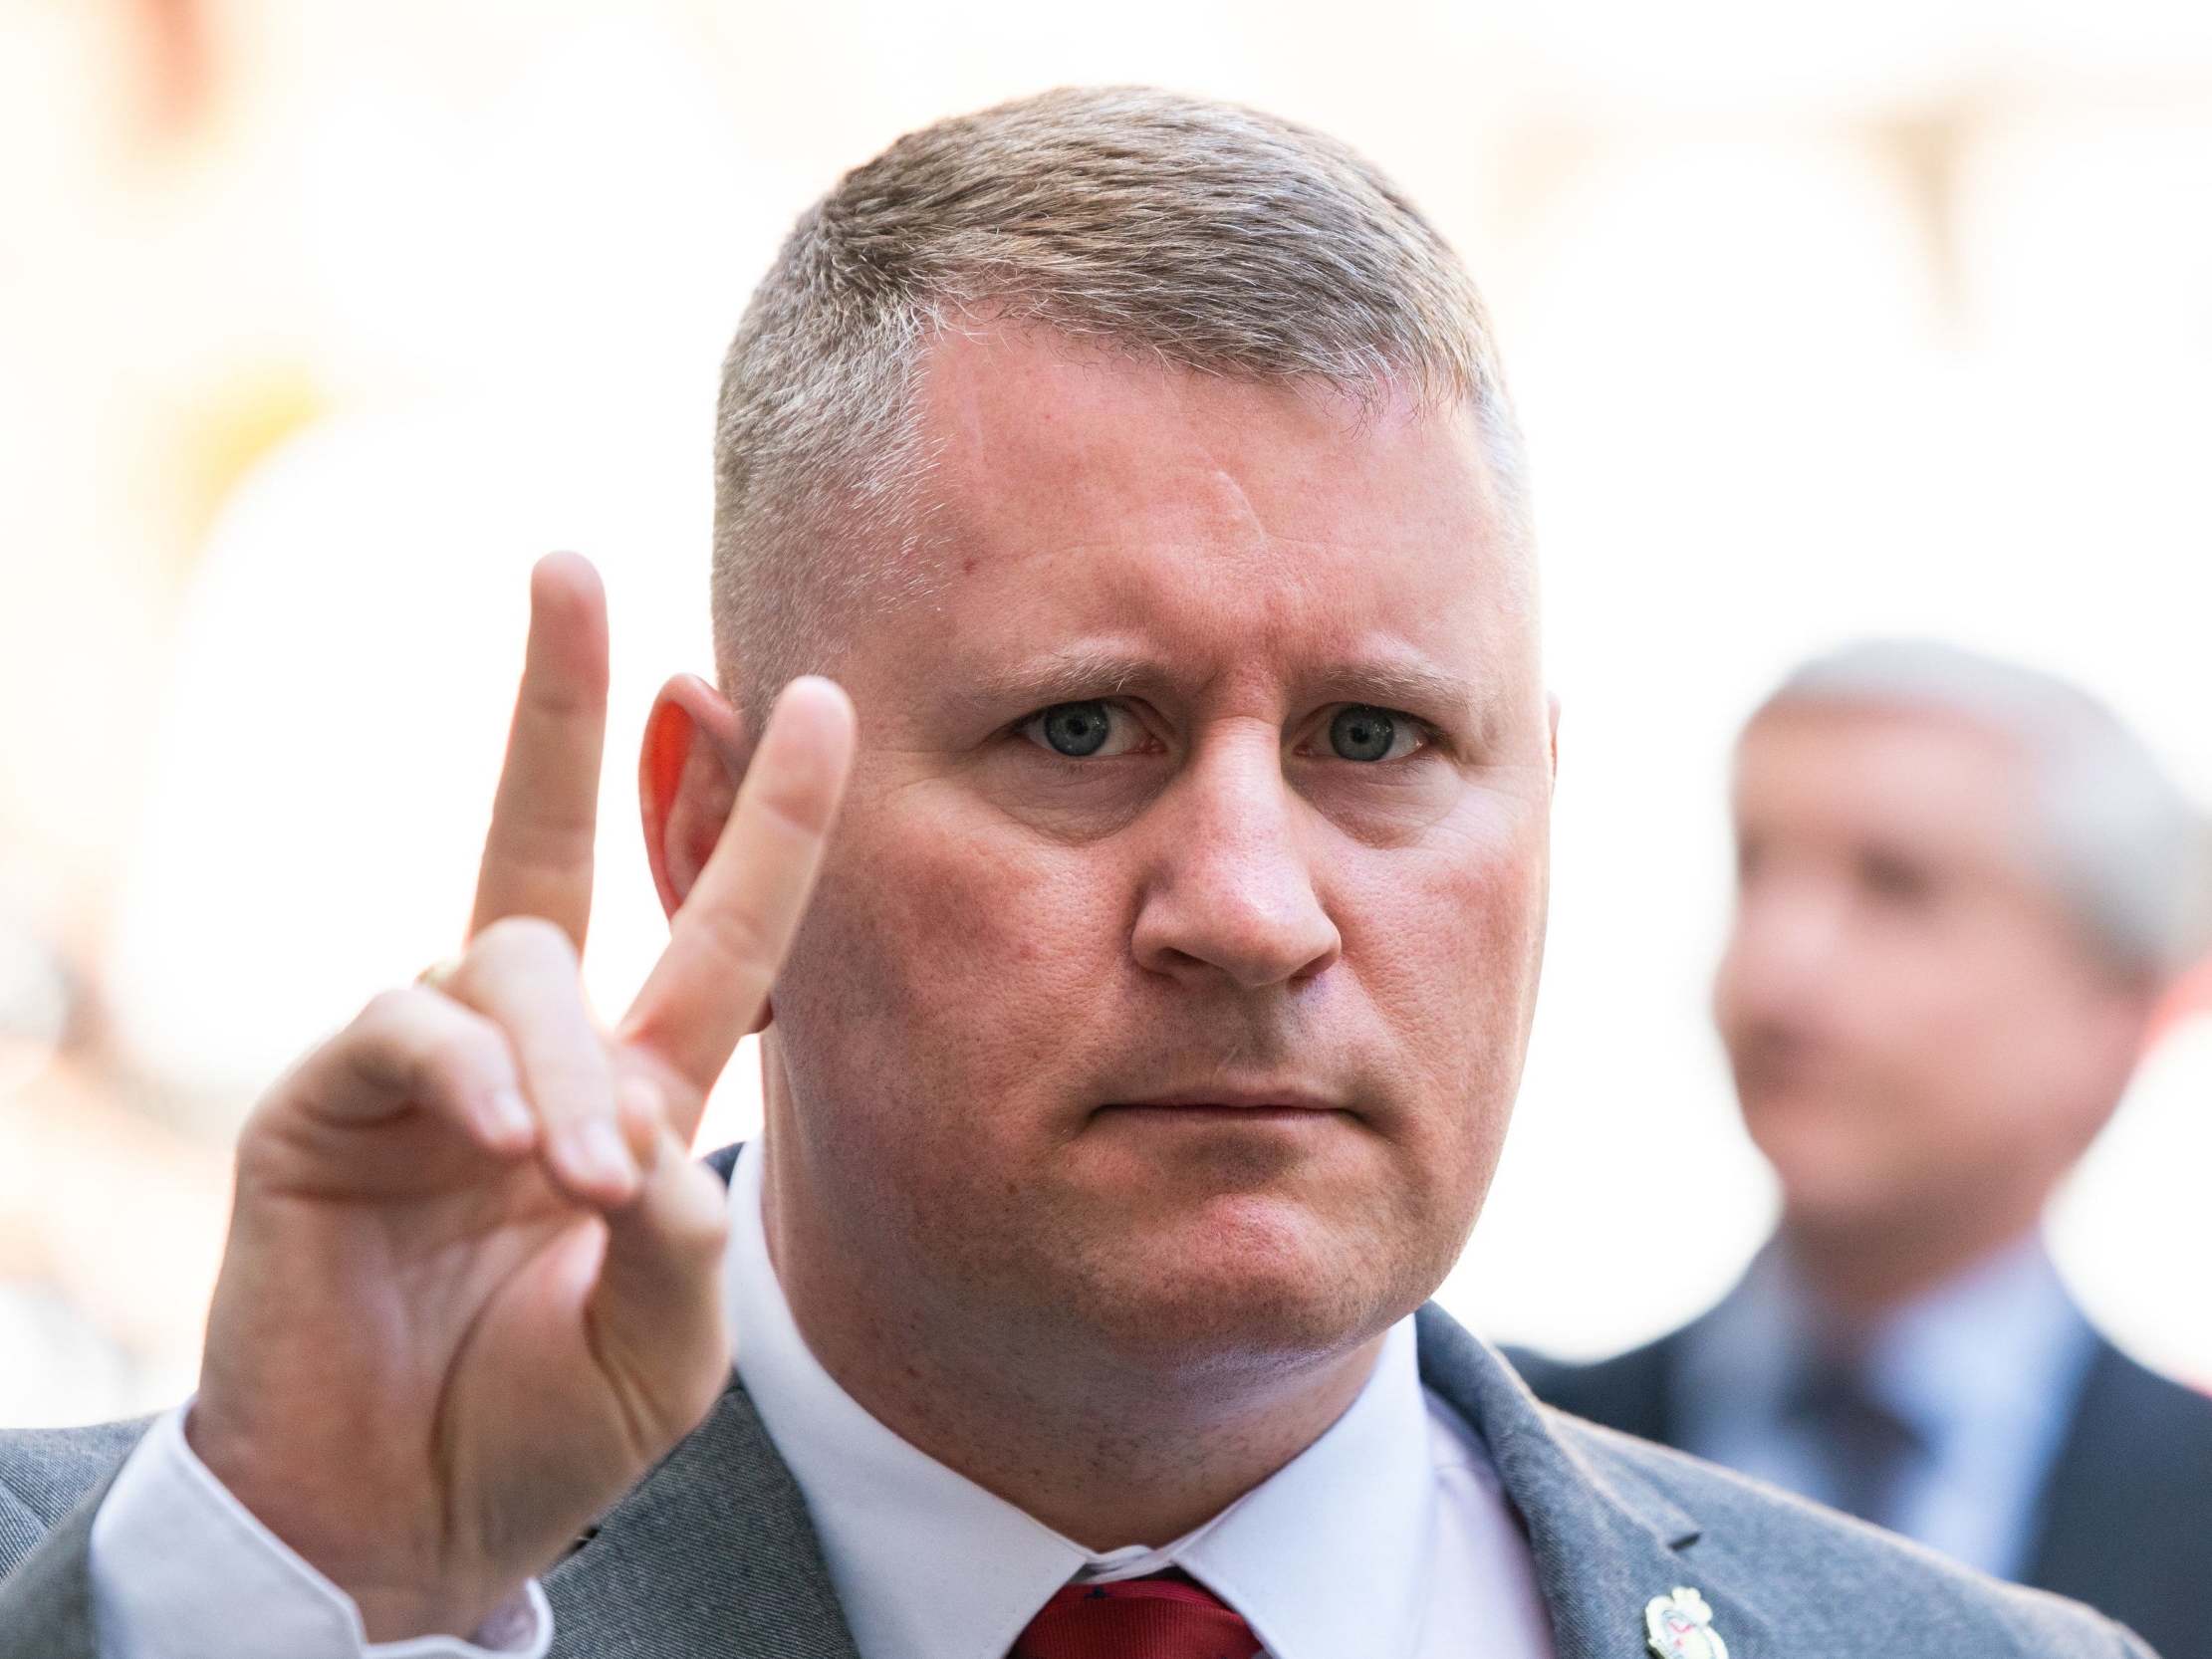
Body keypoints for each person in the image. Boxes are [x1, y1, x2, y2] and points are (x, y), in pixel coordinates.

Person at [0, 89, 2160, 1659]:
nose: (1248, 903)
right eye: (1082, 729)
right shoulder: (209, 1589)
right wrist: (311, 1598)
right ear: (709, 831)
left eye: (1374, 740)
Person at [1515, 640, 2212, 1659]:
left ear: (2116, 1011)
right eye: (1756, 865)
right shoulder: (1502, 1457)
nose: (1775, 966)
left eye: (1897, 888)